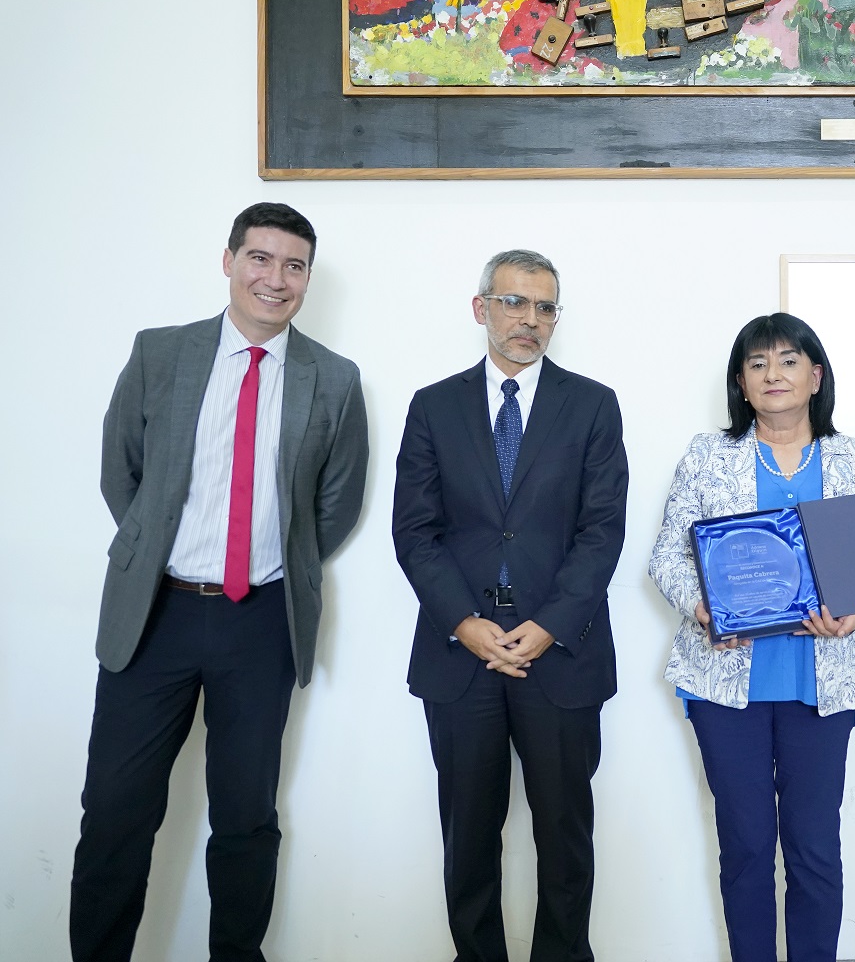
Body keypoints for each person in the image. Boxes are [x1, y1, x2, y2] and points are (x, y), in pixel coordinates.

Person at [70, 202, 370, 962]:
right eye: (260, 259)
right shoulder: (160, 355)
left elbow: (335, 504)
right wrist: (153, 551)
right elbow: (122, 472)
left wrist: (272, 568)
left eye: (293, 265)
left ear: (306, 278)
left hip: (260, 621)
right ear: (230, 260)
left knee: (245, 818)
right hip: (155, 616)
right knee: (115, 813)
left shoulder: (333, 380)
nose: (275, 279)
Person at [393, 249, 628, 962]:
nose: (530, 320)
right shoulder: (433, 406)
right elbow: (414, 530)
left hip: (559, 654)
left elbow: (601, 531)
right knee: (468, 836)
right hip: (459, 655)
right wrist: (465, 624)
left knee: (564, 835)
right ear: (481, 309)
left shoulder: (592, 404)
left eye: (545, 307)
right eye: (514, 303)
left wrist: (550, 624)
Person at [648, 313, 855, 962]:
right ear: (741, 384)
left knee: (814, 849)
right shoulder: (709, 456)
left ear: (815, 376)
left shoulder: (854, 459)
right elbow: (668, 556)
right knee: (747, 845)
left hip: (821, 684)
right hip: (727, 686)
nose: (773, 374)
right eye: (757, 364)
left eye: (788, 361)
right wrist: (704, 610)